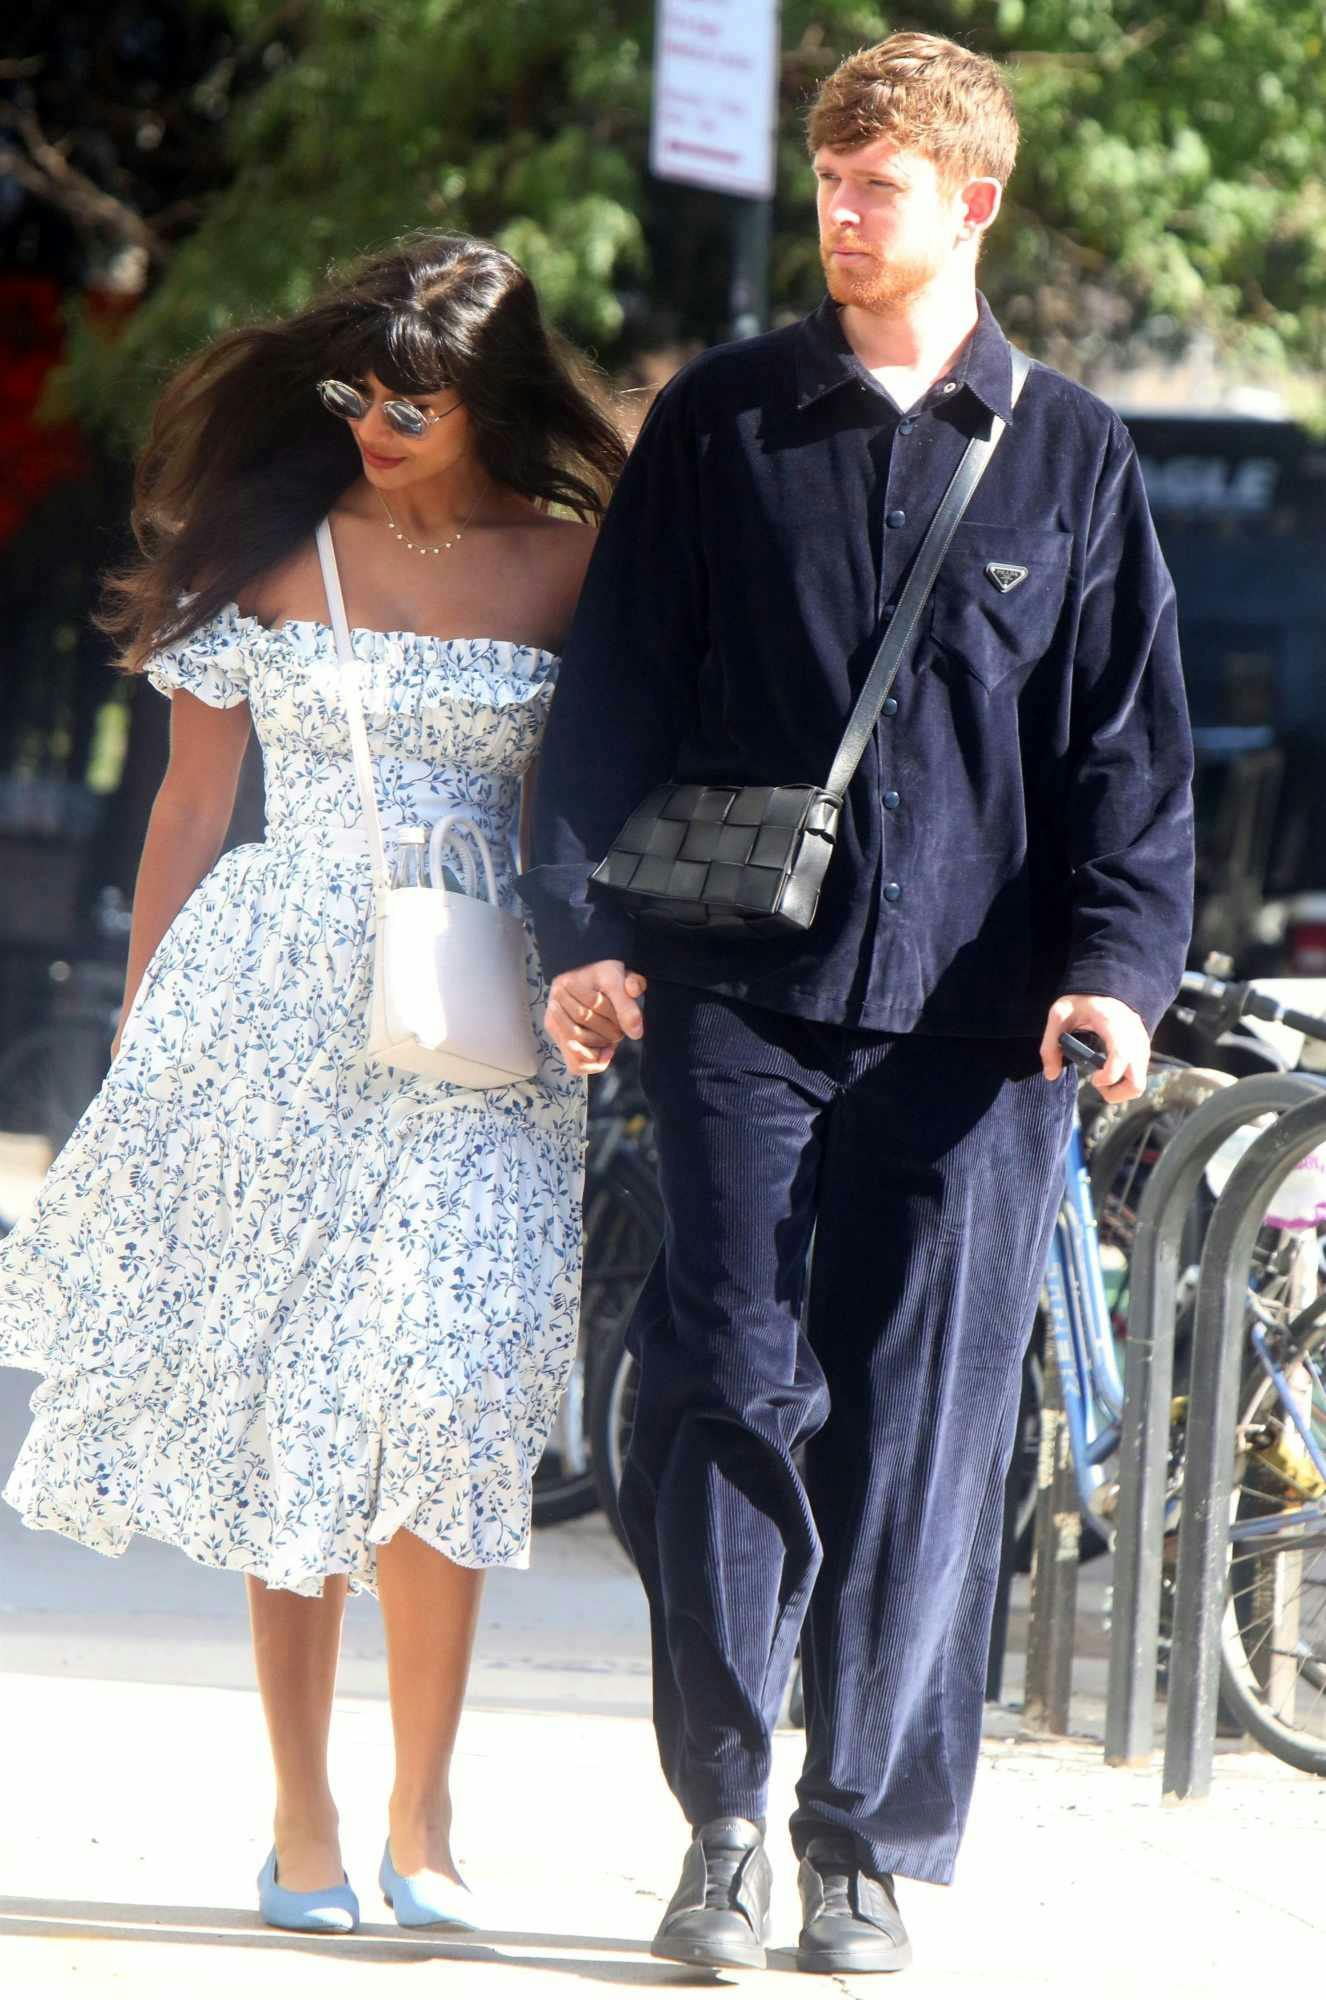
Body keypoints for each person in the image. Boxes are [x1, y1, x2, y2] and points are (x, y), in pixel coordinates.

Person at [522, 32, 1193, 1978]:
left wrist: (1118, 978)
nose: (839, 210)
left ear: (969, 201)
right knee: (725, 1382)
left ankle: (863, 1843)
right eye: (827, 174)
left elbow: (1127, 764)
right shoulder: (726, 421)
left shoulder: (1073, 453)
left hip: (980, 1041)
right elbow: (610, 708)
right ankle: (721, 1820)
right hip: (735, 998)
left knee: (920, 1428)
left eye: (876, 182)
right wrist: (583, 930)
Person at [0, 232, 624, 1935]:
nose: (370, 423)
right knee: (305, 1403)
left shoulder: (577, 565)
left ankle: (427, 1819)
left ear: (489, 396)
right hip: (272, 1004)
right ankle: (301, 1818)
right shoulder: (268, 555)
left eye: (409, 399)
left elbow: (616, 789)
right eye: (352, 392)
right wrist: (143, 1043)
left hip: (485, 1012)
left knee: (446, 1390)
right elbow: (192, 811)